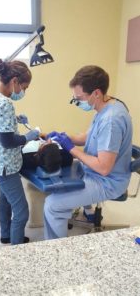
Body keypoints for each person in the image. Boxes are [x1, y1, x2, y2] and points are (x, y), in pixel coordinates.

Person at [44, 65, 133, 240]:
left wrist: (71, 149)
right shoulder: (106, 106)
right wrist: (65, 138)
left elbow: (104, 168)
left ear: (96, 93)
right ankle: (80, 207)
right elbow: (88, 136)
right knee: (55, 181)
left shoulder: (111, 120)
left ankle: (55, 252)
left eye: (79, 98)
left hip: (107, 181)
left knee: (52, 205)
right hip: (94, 171)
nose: (77, 102)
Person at [0, 59, 40, 245]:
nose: (24, 91)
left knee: (6, 201)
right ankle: (17, 250)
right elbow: (8, 142)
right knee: (22, 210)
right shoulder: (5, 104)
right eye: (25, 87)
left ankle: (6, 235)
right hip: (6, 167)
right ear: (15, 81)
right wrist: (29, 137)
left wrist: (14, 119)